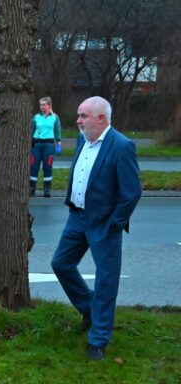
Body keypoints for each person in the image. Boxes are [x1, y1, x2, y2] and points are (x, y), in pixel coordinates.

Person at [50, 96, 141, 361]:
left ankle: (98, 340)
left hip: (105, 223)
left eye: (83, 116)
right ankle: (90, 309)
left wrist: (115, 222)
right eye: (79, 115)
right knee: (61, 264)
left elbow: (131, 192)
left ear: (101, 118)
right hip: (77, 217)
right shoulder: (83, 140)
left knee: (106, 280)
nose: (78, 121)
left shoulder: (122, 146)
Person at [30, 96, 62, 197]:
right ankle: (31, 188)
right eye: (40, 105)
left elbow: (57, 131)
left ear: (49, 105)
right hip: (36, 145)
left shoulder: (55, 117)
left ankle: (47, 189)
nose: (42, 107)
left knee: (47, 166)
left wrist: (59, 144)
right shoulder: (36, 117)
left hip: (49, 145)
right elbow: (31, 131)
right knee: (34, 166)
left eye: (44, 105)